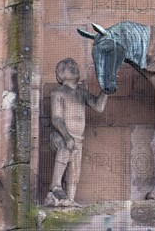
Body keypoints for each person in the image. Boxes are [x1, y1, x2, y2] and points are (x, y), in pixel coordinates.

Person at [46, 58, 107, 206]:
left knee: (74, 171)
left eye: (75, 65)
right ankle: (55, 186)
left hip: (78, 138)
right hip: (61, 136)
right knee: (65, 150)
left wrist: (106, 89)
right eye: (68, 66)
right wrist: (66, 136)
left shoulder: (82, 93)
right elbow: (57, 118)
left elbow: (99, 107)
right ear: (59, 74)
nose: (73, 67)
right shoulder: (58, 93)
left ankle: (71, 200)